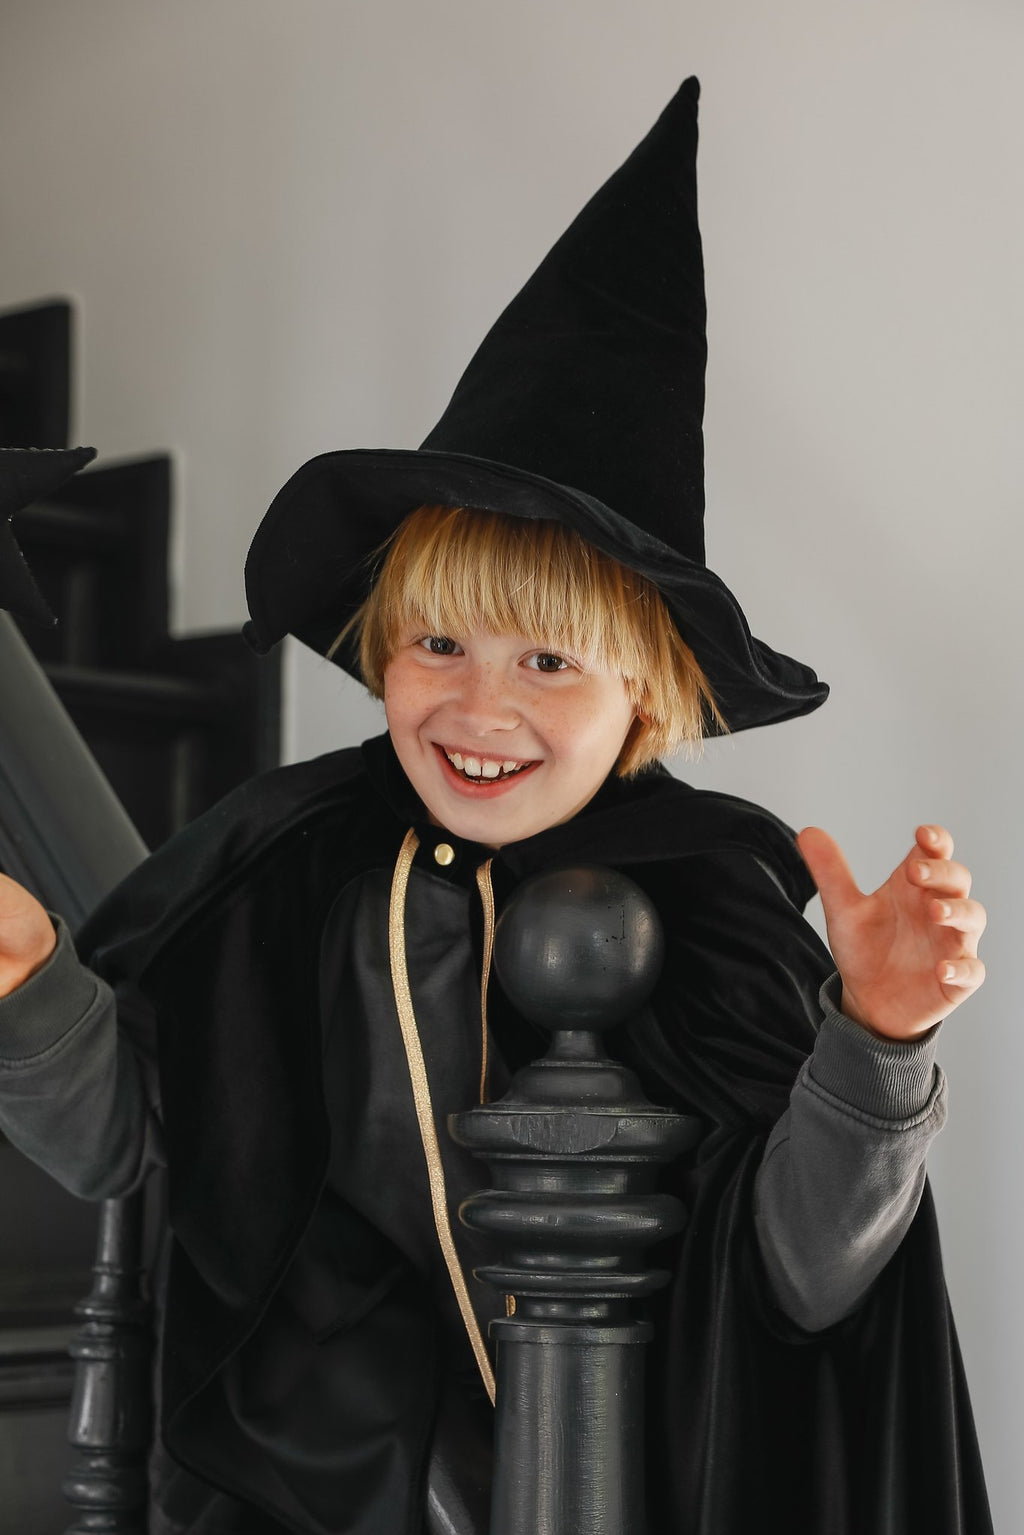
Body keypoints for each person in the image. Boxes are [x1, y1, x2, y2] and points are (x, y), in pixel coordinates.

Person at [0, 79, 992, 1534]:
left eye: (549, 662)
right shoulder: (283, 861)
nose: (479, 708)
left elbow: (803, 1273)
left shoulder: (708, 894)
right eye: (437, 644)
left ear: (646, 701)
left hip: (618, 1479)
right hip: (318, 1487)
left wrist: (877, 1043)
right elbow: (141, 1148)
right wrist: (34, 989)